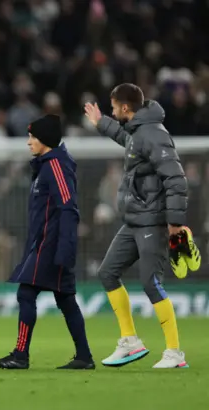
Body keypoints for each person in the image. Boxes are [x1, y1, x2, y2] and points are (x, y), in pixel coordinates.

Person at [84, 83, 197, 368]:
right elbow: (125, 138)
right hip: (134, 220)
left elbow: (176, 179)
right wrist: (102, 123)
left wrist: (174, 223)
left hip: (153, 221)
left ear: (125, 107)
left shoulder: (154, 134)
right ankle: (130, 341)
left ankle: (174, 353)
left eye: (113, 108)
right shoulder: (139, 132)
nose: (112, 111)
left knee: (150, 282)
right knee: (108, 273)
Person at [0, 114, 94, 370]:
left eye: (32, 137)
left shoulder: (56, 166)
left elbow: (68, 208)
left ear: (44, 140)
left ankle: (20, 355)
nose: (28, 142)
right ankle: (84, 357)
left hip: (52, 244)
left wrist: (65, 249)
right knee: (65, 299)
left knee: (26, 293)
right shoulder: (46, 165)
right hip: (47, 243)